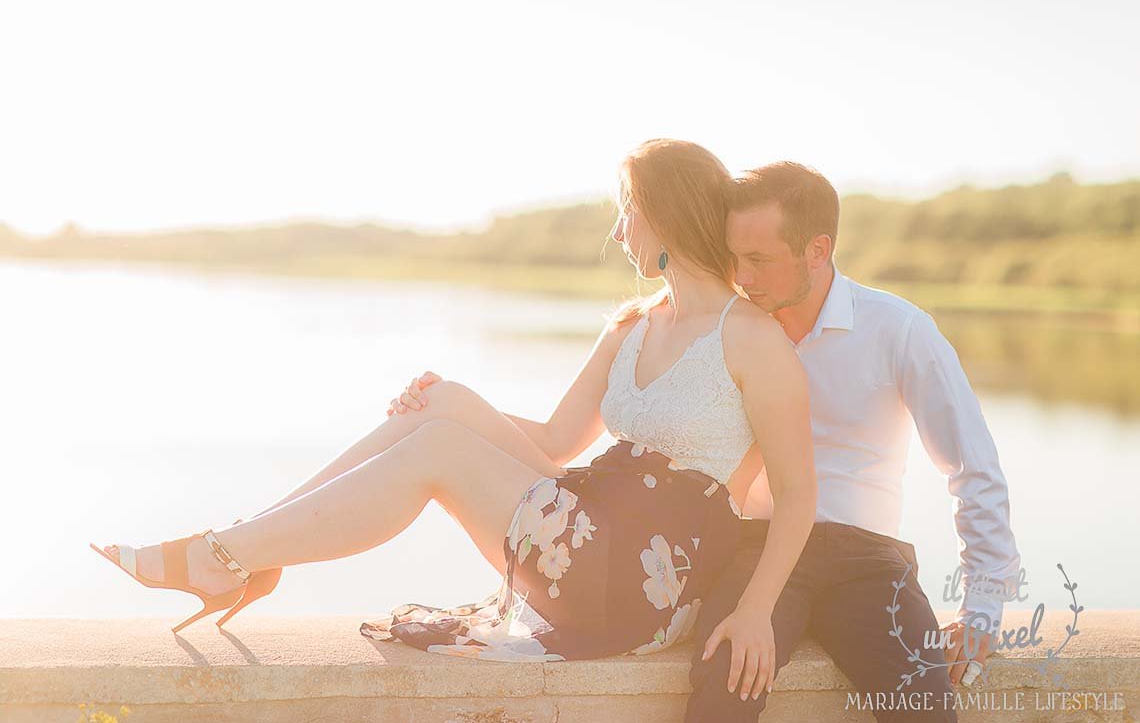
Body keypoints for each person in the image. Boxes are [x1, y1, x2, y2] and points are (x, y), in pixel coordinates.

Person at [90, 140, 817, 701]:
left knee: (442, 440)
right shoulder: (631, 326)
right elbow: (557, 443)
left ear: (664, 211)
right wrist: (457, 405)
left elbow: (797, 496)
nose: (622, 229)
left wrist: (756, 610)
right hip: (590, 521)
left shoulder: (750, 337)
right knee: (439, 407)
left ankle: (225, 558)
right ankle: (241, 551)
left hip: (645, 580)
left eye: (628, 209)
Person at [670, 161, 1020, 722]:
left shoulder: (899, 329)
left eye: (759, 260)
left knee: (924, 706)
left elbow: (971, 466)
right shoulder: (728, 332)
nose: (744, 277)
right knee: (722, 684)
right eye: (735, 259)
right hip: (758, 553)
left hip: (869, 561)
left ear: (817, 250)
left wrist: (983, 604)